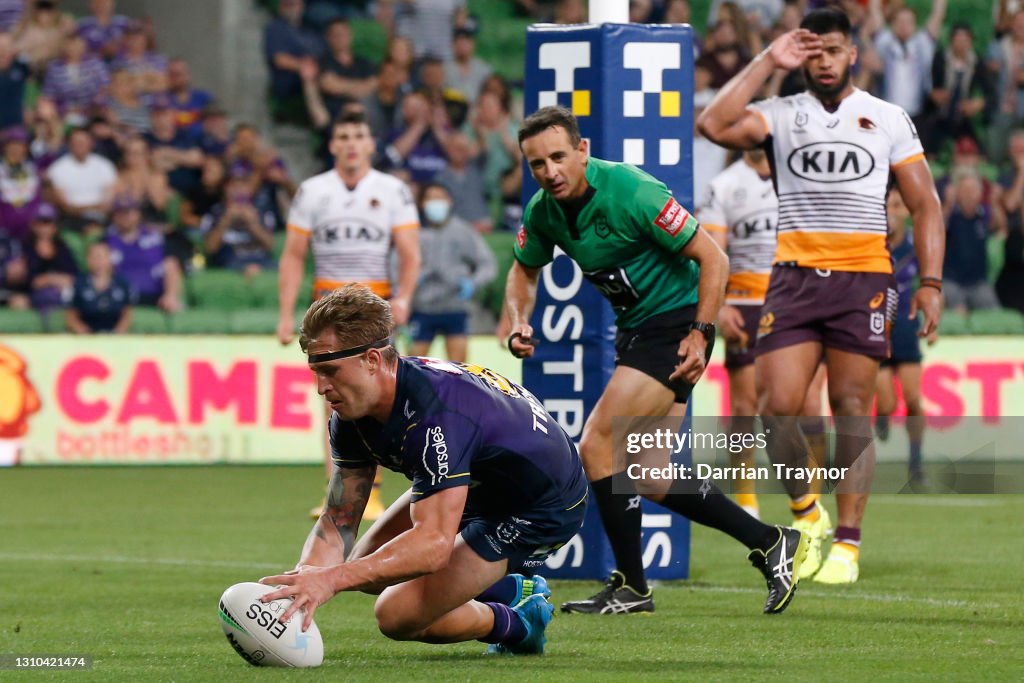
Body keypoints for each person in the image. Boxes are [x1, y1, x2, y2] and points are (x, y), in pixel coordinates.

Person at [506, 105, 807, 615]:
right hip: (638, 330)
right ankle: (770, 540)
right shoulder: (543, 211)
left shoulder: (633, 191)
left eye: (558, 157)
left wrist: (700, 332)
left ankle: (631, 585)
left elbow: (714, 258)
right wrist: (518, 319)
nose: (550, 171)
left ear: (582, 152)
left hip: (676, 326)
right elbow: (524, 270)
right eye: (537, 164)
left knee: (597, 444)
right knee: (647, 472)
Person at [698, 8, 944, 583]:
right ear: (801, 57)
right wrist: (766, 60)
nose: (824, 61)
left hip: (864, 278)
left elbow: (926, 202)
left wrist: (930, 283)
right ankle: (808, 513)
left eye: (833, 50)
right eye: (814, 52)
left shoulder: (886, 118)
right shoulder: (780, 114)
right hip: (795, 277)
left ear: (853, 53)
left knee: (854, 408)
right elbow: (712, 123)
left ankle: (849, 546)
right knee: (779, 405)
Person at [259, 284, 587, 655]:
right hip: (480, 481)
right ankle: (507, 587)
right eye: (315, 371)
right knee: (369, 565)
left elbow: (432, 548)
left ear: (371, 359)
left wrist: (332, 580)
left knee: (396, 614)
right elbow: (339, 520)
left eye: (330, 370)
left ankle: (518, 622)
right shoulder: (351, 415)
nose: (321, 387)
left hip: (542, 503)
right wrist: (301, 583)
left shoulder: (436, 415)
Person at [277, 109, 421, 521]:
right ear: (333, 144)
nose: (352, 143)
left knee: (380, 396)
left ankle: (375, 491)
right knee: (333, 399)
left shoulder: (393, 190)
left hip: (373, 305)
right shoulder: (312, 191)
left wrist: (406, 297)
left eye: (359, 134)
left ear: (371, 144)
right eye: (344, 135)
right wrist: (286, 313)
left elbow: (410, 253)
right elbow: (292, 255)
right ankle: (337, 490)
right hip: (326, 305)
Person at [698, 149, 829, 520]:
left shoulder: (803, 178)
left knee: (809, 404)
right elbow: (712, 251)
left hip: (799, 302)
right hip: (746, 303)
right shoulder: (723, 186)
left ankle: (811, 501)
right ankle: (746, 500)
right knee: (744, 407)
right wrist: (720, 306)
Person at [874, 188, 933, 489]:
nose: (890, 211)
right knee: (886, 401)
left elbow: (932, 287)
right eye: (886, 205)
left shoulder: (916, 248)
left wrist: (933, 322)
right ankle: (881, 415)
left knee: (913, 400)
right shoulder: (873, 247)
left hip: (907, 331)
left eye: (896, 205)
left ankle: (916, 463)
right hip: (877, 330)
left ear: (906, 211)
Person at [408, 182, 496, 361]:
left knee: (459, 370)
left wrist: (472, 283)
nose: (436, 203)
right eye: (430, 198)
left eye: (440, 198)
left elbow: (488, 264)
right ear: (422, 203)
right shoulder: (413, 232)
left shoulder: (463, 231)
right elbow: (398, 265)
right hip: (422, 308)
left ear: (449, 201)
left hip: (455, 308)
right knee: (412, 366)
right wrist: (408, 282)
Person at [66, 240, 134, 334]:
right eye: (95, 257)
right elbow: (71, 317)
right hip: (85, 338)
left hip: (115, 338)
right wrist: (86, 335)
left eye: (102, 256)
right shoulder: (77, 284)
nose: (99, 261)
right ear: (88, 259)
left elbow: (126, 316)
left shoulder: (122, 283)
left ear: (110, 258)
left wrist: (117, 335)